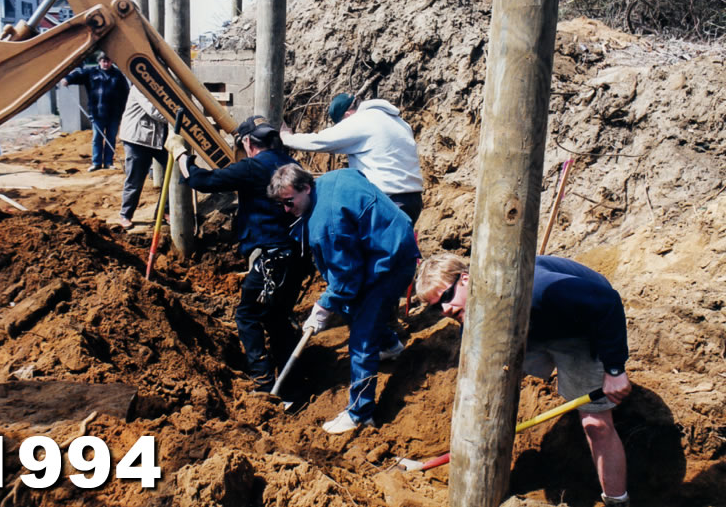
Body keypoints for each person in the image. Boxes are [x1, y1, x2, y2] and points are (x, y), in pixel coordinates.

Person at [416, 253, 632, 507]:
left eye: (445, 297)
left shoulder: (537, 288)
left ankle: (617, 501)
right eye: (436, 307)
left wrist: (615, 369)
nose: (445, 310)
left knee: (595, 424)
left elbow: (607, 303)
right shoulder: (470, 321)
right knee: (493, 385)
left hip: (578, 327)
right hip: (528, 327)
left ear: (466, 279)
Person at [267, 164, 420, 434]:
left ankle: (360, 413)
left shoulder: (328, 226)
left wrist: (323, 307)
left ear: (305, 188)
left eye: (289, 202)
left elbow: (346, 280)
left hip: (389, 262)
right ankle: (389, 345)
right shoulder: (334, 177)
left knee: (361, 339)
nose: (286, 210)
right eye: (281, 204)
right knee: (352, 307)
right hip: (387, 244)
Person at [164, 116, 309, 399]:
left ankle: (264, 381)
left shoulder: (253, 167)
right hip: (297, 254)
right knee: (276, 317)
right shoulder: (291, 165)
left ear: (247, 142)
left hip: (272, 255)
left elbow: (199, 180)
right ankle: (294, 382)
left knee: (247, 314)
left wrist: (180, 153)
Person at [280, 92, 424, 224]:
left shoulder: (362, 121)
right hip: (413, 199)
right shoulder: (398, 122)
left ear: (347, 115)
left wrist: (286, 138)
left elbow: (321, 141)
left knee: (376, 249)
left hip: (388, 200)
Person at [61, 51, 129, 171]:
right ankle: (96, 162)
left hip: (114, 114)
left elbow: (125, 93)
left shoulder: (117, 75)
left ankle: (108, 162)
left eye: (108, 61)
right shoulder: (91, 73)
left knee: (110, 138)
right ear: (99, 62)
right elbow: (77, 74)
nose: (106, 64)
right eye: (103, 61)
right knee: (97, 138)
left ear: (111, 62)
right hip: (97, 113)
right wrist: (67, 79)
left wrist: (124, 111)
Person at [118, 86, 168, 229]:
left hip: (157, 139)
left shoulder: (161, 87)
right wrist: (178, 118)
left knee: (175, 174)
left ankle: (164, 211)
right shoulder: (140, 88)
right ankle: (125, 215)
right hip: (137, 139)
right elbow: (155, 112)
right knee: (135, 179)